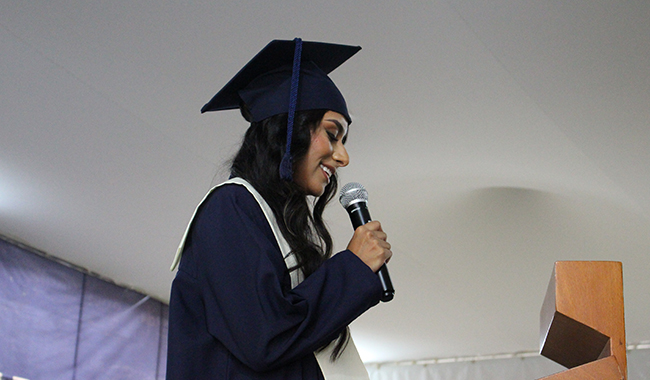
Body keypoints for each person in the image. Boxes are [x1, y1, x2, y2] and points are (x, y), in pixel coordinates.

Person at [166, 39, 393, 380]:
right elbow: (265, 337)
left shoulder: (278, 227)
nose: (343, 156)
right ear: (290, 131)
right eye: (333, 134)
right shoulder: (230, 208)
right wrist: (352, 269)